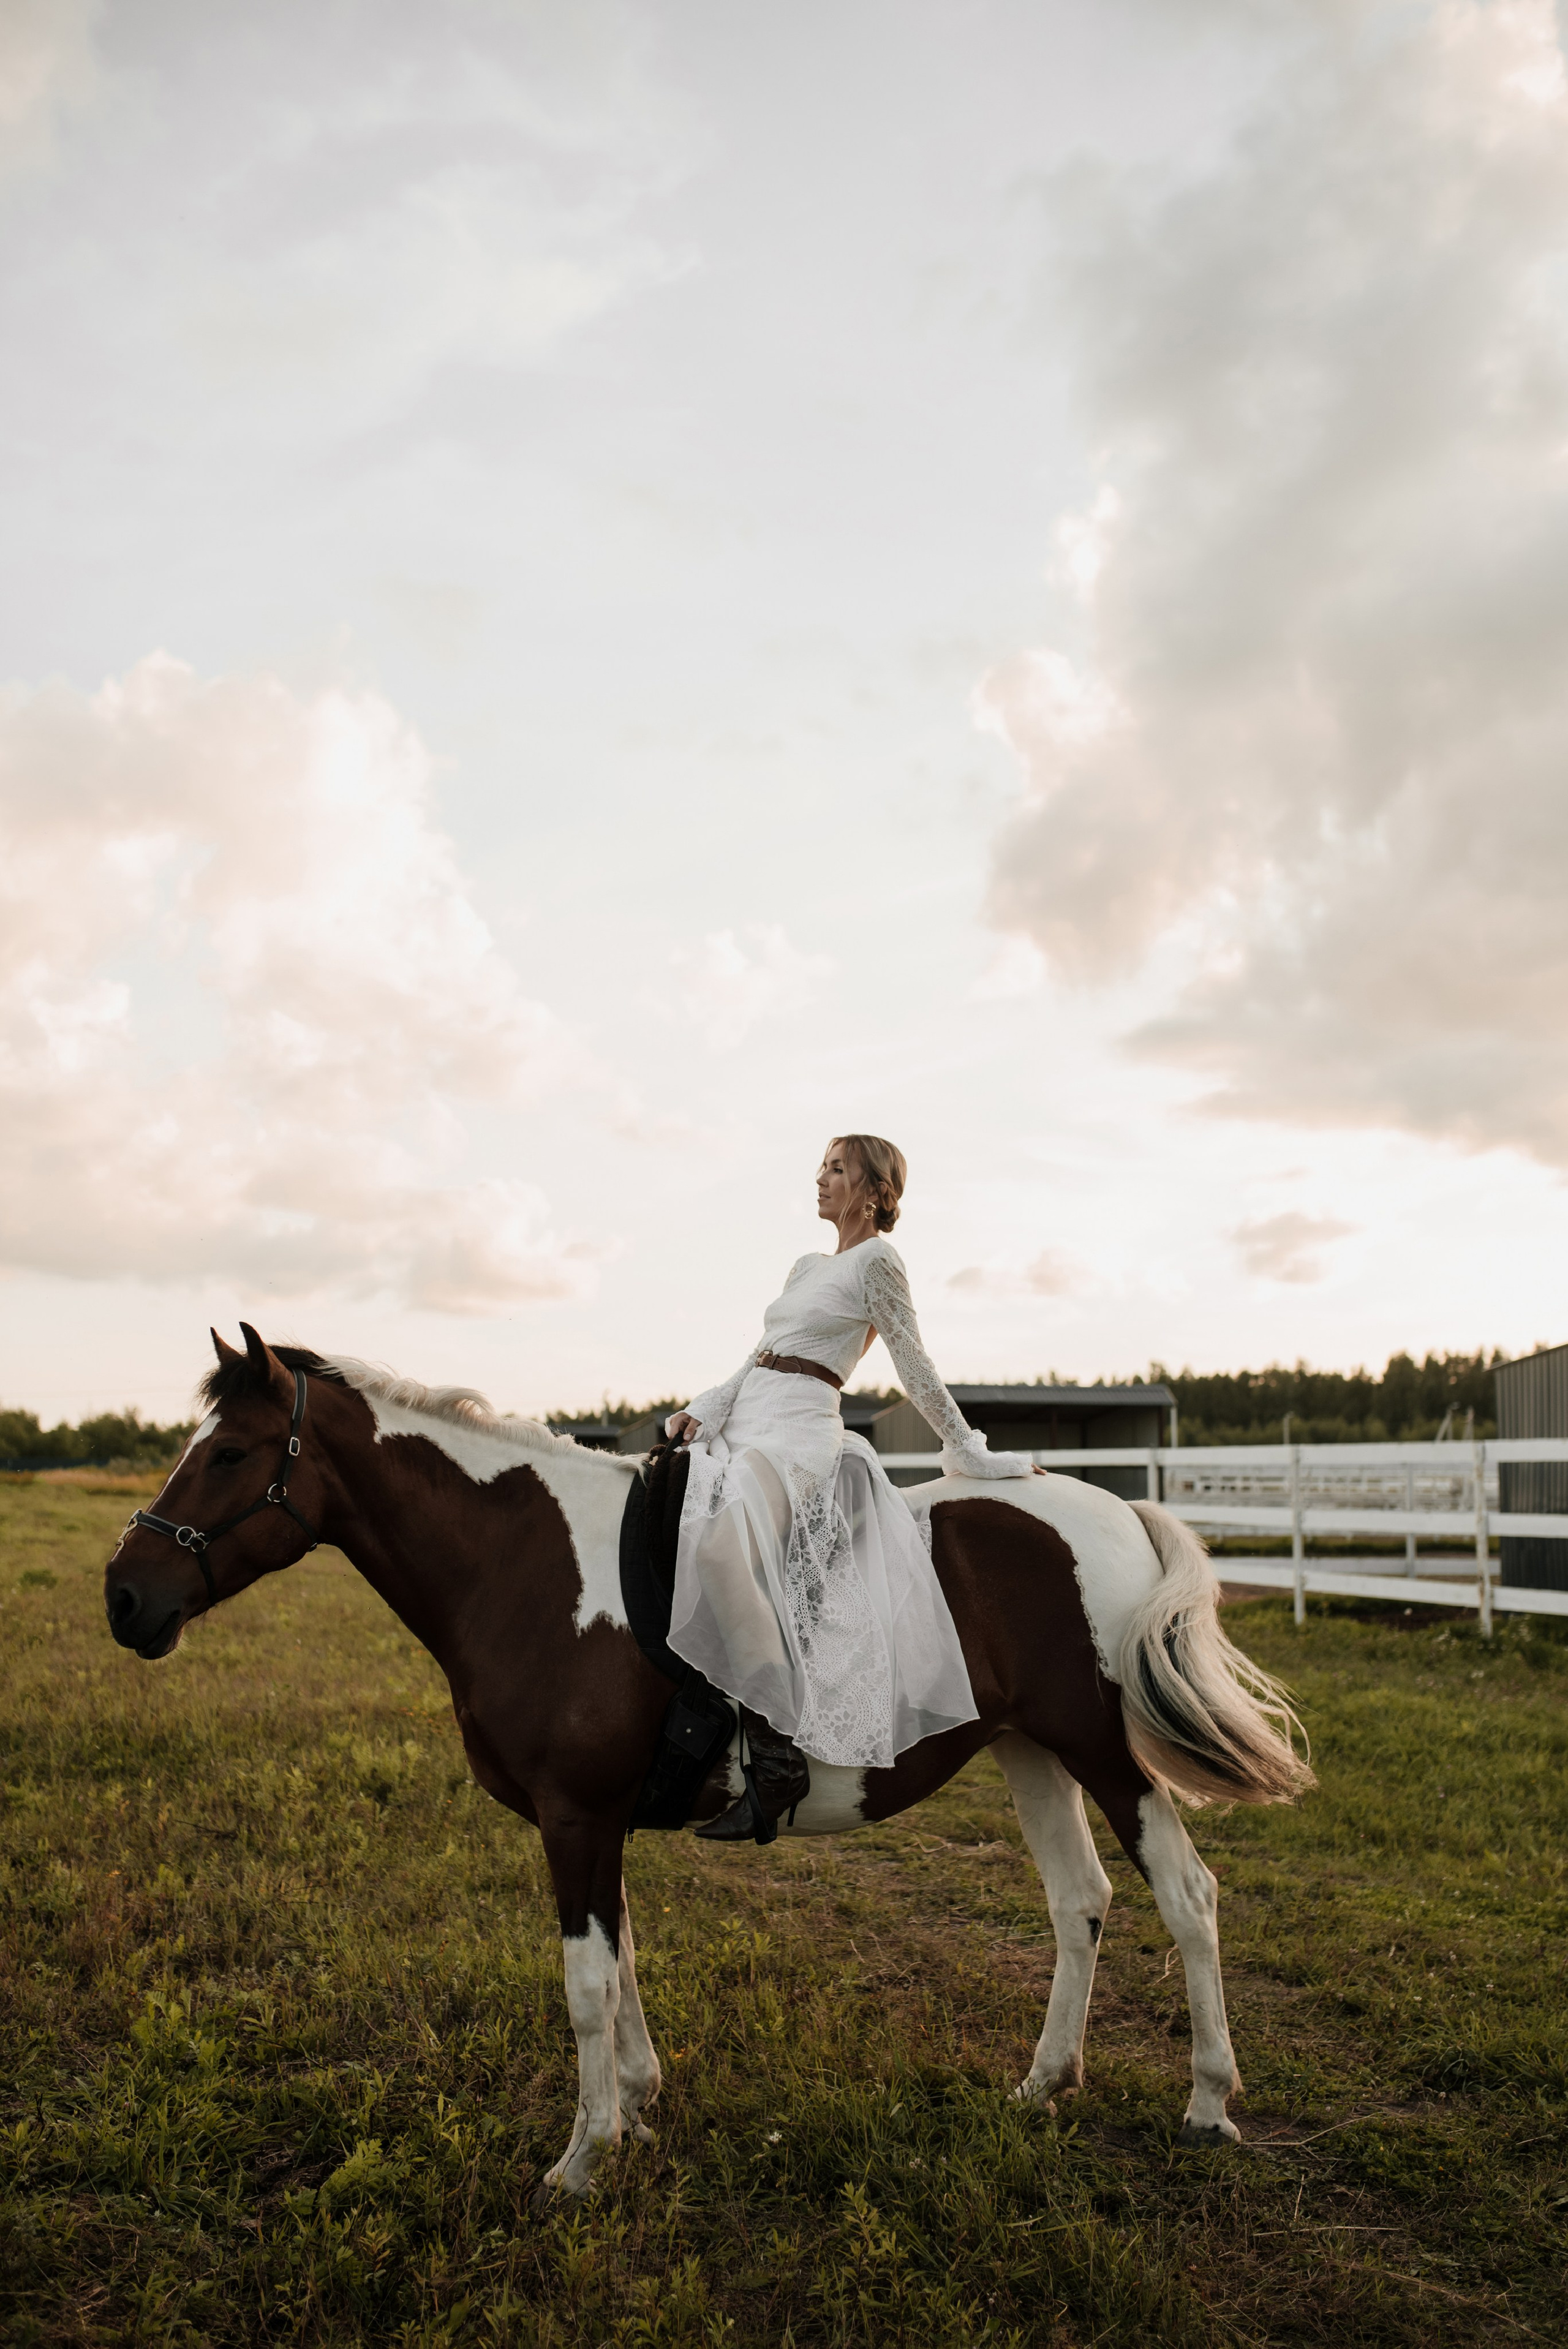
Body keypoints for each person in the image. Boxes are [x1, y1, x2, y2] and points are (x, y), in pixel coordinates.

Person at [665, 1134, 1033, 1842]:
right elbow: (760, 1356)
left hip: (798, 1431)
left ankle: (774, 1759)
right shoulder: (807, 1265)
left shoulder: (878, 1262)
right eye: (821, 1167)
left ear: (872, 1189)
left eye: (837, 1168)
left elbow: (914, 1365)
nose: (821, 1178)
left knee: (719, 1554)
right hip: (746, 1417)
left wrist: (968, 1451)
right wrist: (708, 1403)